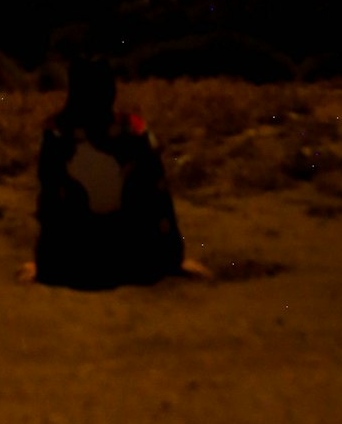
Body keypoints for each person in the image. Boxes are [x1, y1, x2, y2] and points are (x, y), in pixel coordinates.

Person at [25, 54, 208, 288]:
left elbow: (49, 205)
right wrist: (172, 257)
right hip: (126, 255)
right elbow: (159, 199)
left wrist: (45, 263)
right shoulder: (131, 131)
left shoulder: (58, 133)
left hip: (81, 257)